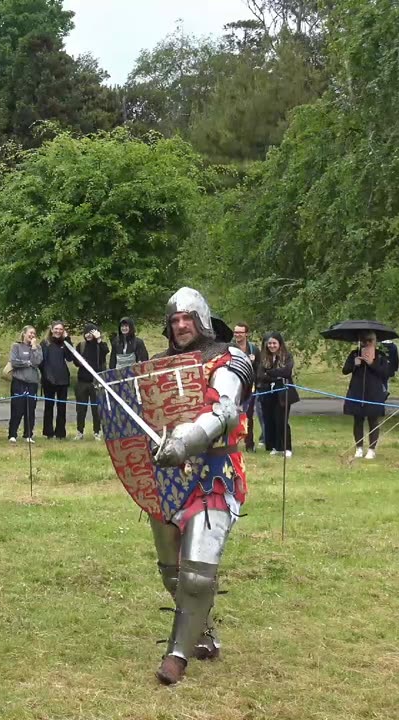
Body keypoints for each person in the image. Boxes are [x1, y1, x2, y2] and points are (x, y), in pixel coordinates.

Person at [144, 287, 254, 685]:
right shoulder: (159, 365)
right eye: (174, 320)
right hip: (168, 476)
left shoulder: (228, 359)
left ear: (203, 319)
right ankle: (204, 636)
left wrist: (186, 441)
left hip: (215, 472)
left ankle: (176, 656)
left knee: (196, 574)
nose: (181, 325)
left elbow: (224, 410)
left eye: (188, 317)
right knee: (171, 572)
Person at [343, 331, 393, 460]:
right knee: (358, 420)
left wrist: (372, 363)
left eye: (370, 341)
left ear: (375, 342)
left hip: (374, 392)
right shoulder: (355, 354)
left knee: (373, 420)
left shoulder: (381, 356)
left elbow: (387, 373)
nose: (367, 343)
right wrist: (354, 363)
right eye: (364, 341)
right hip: (357, 391)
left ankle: (371, 449)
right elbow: (345, 370)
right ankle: (359, 448)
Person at [257, 332, 298, 457]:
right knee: (270, 420)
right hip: (268, 393)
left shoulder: (287, 356)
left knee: (282, 420)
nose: (271, 345)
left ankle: (287, 447)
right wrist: (275, 375)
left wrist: (269, 373)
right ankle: (275, 446)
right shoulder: (264, 358)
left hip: (283, 393)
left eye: (274, 343)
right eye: (269, 343)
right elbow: (260, 375)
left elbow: (286, 371)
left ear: (280, 344)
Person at [73, 324, 109, 441]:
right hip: (82, 381)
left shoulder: (100, 345)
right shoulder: (81, 346)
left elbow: (106, 351)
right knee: (81, 408)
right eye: (86, 332)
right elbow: (75, 360)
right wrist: (79, 362)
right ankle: (79, 432)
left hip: (96, 381)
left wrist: (99, 339)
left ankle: (97, 432)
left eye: (91, 332)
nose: (88, 335)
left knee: (96, 409)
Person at [7, 326, 43, 444]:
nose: (32, 335)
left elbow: (37, 362)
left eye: (34, 333)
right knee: (17, 408)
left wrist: (33, 348)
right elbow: (14, 361)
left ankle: (28, 434)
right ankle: (12, 434)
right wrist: (27, 363)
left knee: (30, 409)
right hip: (19, 381)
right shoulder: (16, 346)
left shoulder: (37, 348)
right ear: (24, 334)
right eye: (30, 333)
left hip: (32, 383)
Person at [40, 322, 74, 440]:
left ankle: (60, 433)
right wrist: (47, 376)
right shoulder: (45, 343)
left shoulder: (64, 343)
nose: (58, 331)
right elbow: (41, 362)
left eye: (60, 329)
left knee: (62, 407)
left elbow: (70, 358)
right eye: (56, 329)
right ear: (51, 329)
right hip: (49, 379)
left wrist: (67, 339)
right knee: (49, 406)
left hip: (62, 379)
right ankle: (48, 432)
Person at [231, 324, 260, 452]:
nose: (237, 334)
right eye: (235, 332)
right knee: (232, 415)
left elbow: (259, 367)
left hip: (249, 388)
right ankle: (232, 443)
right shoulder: (229, 348)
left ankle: (249, 444)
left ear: (246, 334)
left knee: (248, 416)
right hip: (233, 387)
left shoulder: (253, 349)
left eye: (240, 332)